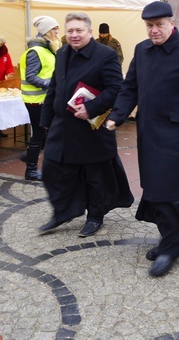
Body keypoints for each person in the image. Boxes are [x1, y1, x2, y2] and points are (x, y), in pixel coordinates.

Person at [105, 1, 179, 278]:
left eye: (159, 25)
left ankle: (171, 245)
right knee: (156, 189)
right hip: (149, 134)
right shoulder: (142, 50)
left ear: (171, 23)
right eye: (149, 26)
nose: (154, 30)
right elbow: (130, 86)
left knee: (173, 193)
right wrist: (117, 115)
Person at [37, 12, 133, 237]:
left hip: (90, 127)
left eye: (79, 30)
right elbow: (54, 88)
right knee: (53, 168)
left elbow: (116, 88)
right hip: (63, 126)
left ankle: (95, 216)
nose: (74, 35)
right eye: (70, 30)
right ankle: (64, 211)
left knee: (95, 174)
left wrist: (92, 108)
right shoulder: (61, 53)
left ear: (89, 32)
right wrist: (46, 120)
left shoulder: (106, 55)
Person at [20, 15, 61, 182]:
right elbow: (31, 76)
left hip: (45, 99)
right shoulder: (35, 51)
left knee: (48, 134)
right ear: (46, 32)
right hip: (36, 101)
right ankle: (31, 169)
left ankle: (31, 158)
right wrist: (51, 84)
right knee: (39, 134)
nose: (58, 32)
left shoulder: (48, 49)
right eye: (54, 29)